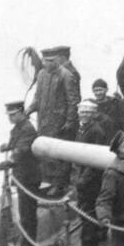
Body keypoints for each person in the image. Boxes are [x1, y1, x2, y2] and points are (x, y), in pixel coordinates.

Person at [26, 45, 81, 196]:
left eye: (51, 61)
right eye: (45, 61)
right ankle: (47, 180)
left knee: (58, 154)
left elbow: (73, 101)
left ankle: (59, 184)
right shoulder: (42, 75)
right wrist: (29, 110)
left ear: (57, 60)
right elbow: (37, 97)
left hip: (59, 123)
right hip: (44, 120)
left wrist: (70, 121)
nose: (47, 64)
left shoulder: (66, 75)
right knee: (45, 152)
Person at [71, 99, 116, 246]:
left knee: (87, 212)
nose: (84, 115)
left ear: (93, 114)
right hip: (83, 176)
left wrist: (83, 179)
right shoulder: (82, 129)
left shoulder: (95, 131)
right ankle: (95, 237)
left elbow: (94, 159)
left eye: (87, 113)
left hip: (91, 180)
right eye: (82, 112)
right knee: (87, 211)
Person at [0, 101, 41, 246]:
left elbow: (23, 149)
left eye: (13, 114)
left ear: (22, 112)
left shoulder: (28, 129)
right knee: (24, 213)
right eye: (9, 115)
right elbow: (16, 144)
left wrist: (10, 161)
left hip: (29, 178)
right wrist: (7, 146)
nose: (10, 117)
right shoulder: (18, 128)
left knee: (28, 215)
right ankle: (26, 244)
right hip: (22, 177)